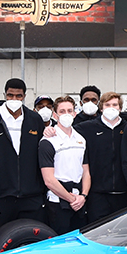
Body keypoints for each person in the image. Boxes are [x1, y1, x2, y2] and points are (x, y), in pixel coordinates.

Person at [0, 78, 46, 244]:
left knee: (31, 243)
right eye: (10, 95)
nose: (14, 100)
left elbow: (41, 159)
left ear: (24, 96)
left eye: (18, 96)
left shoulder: (34, 120)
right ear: (4, 95)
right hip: (0, 198)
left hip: (31, 198)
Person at [79, 92, 127, 222]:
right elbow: (66, 130)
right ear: (101, 108)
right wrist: (50, 130)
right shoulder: (87, 128)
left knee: (122, 232)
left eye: (115, 105)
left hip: (123, 193)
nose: (111, 108)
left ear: (120, 108)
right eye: (107, 105)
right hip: (97, 194)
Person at [40, 96, 90, 233]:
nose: (66, 114)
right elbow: (49, 180)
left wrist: (83, 196)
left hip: (79, 201)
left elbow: (86, 172)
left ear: (75, 113)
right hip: (58, 203)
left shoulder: (81, 140)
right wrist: (70, 199)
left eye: (69, 110)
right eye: (62, 111)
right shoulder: (48, 141)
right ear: (55, 115)